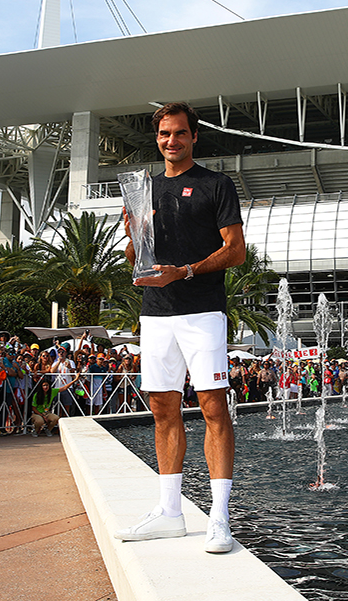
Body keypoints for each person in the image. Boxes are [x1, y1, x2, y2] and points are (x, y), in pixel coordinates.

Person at [114, 102, 245, 554]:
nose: (172, 141)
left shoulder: (215, 184)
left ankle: (219, 519)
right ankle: (170, 512)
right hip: (155, 312)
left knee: (213, 408)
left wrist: (186, 272)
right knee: (163, 409)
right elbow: (135, 256)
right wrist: (136, 237)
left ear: (194, 137)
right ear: (158, 139)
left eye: (180, 133)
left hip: (202, 309)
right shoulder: (141, 190)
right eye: (165, 134)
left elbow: (235, 251)